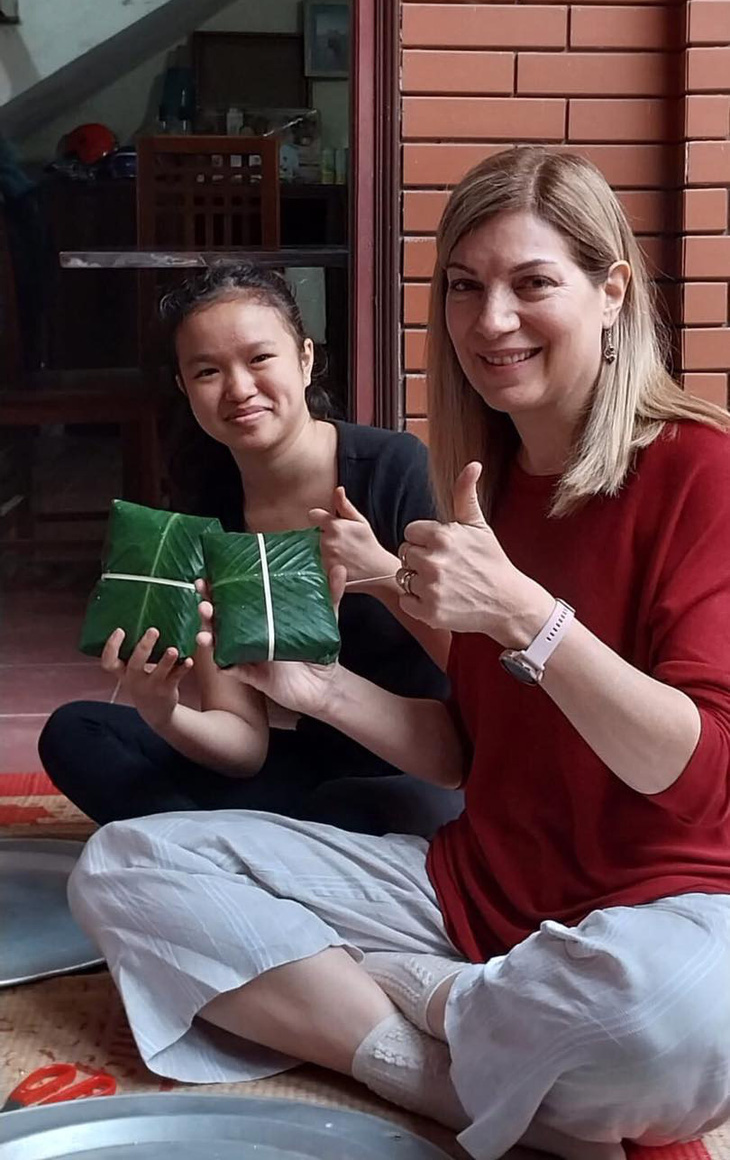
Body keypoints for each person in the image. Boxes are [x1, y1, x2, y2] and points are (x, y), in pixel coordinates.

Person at [68, 148, 730, 1160]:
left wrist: (525, 616)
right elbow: (468, 750)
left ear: (611, 292)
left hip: (653, 910)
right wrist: (315, 685)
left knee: (677, 1022)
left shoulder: (699, 471)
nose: (491, 320)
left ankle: (423, 1010)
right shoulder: (491, 480)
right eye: (464, 287)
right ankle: (457, 1068)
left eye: (531, 283)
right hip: (472, 889)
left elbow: (693, 777)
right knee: (124, 866)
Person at [39, 264, 458, 837]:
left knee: (347, 808)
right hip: (309, 765)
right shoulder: (212, 509)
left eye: (260, 358)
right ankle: (241, 848)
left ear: (305, 360)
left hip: (422, 767)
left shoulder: (393, 469)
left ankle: (211, 846)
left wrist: (384, 575)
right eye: (208, 371)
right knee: (76, 733)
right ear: (185, 388)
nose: (238, 389)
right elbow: (244, 745)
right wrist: (164, 711)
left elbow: (476, 663)